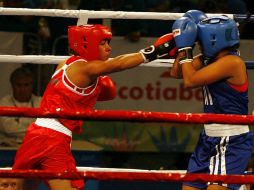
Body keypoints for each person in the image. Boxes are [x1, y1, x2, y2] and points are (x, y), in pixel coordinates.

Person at [12, 24, 177, 190]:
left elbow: (80, 94)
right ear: (87, 44)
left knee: (21, 187)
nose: (109, 48)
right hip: (53, 139)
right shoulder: (83, 68)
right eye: (103, 43)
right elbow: (119, 64)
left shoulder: (66, 64)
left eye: (108, 42)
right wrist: (154, 51)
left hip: (35, 134)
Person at [170, 10, 254, 190]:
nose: (198, 45)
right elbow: (176, 72)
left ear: (212, 39)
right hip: (208, 138)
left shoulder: (232, 62)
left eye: (199, 41)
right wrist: (187, 44)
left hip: (231, 140)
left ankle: (240, 186)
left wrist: (185, 48)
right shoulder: (208, 59)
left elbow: (190, 80)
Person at [0, 66, 41, 147]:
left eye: (26, 85)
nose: (22, 89)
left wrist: (18, 125)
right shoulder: (3, 103)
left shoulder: (41, 102)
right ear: (12, 85)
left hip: (35, 147)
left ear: (32, 86)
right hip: (8, 149)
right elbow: (8, 129)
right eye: (18, 85)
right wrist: (34, 128)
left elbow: (45, 129)